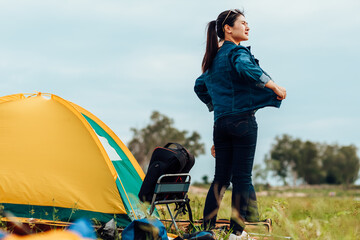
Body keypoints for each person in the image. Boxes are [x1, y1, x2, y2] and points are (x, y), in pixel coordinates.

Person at [194, 9, 286, 238]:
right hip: (243, 122)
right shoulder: (237, 53)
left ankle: (206, 229)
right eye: (243, 23)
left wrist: (217, 105)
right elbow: (246, 68)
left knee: (221, 179)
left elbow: (199, 86)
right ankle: (237, 232)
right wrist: (273, 86)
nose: (248, 27)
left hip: (221, 124)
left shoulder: (212, 60)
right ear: (228, 28)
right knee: (243, 178)